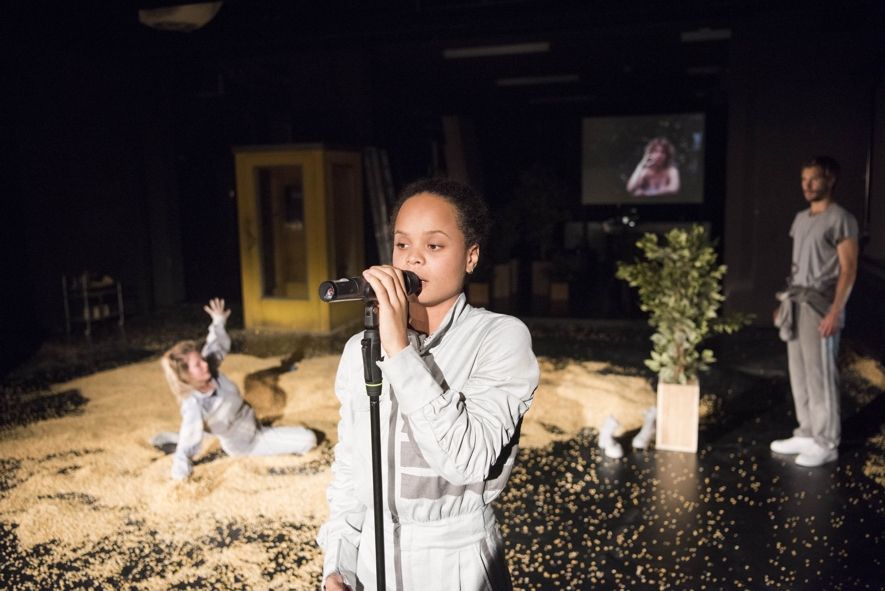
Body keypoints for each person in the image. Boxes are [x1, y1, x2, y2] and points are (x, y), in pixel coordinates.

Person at [316, 178, 540, 590]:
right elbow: (351, 466)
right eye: (402, 245)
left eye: (434, 246)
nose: (412, 260)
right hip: (373, 560)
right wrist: (338, 564)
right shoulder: (360, 349)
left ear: (471, 257)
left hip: (457, 563)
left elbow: (467, 461)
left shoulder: (500, 338)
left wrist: (400, 351)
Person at [154, 298, 317, 480]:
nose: (204, 364)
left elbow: (216, 345)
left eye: (201, 359)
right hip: (248, 443)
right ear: (186, 377)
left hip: (252, 424)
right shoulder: (194, 405)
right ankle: (188, 441)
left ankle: (202, 437)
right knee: (309, 439)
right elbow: (186, 447)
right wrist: (179, 479)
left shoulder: (209, 369)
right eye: (197, 365)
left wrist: (218, 321)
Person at [771, 156, 859, 467]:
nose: (807, 185)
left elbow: (848, 270)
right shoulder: (801, 218)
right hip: (796, 302)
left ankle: (827, 441)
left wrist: (836, 311)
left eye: (814, 179)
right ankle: (807, 432)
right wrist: (784, 305)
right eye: (803, 179)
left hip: (821, 306)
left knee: (821, 375)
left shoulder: (841, 219)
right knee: (799, 373)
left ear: (830, 180)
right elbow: (798, 265)